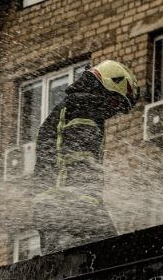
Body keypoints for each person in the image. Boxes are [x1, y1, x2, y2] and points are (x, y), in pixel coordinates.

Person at [32, 60, 140, 254]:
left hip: (54, 211)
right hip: (72, 209)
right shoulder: (84, 109)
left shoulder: (69, 108)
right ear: (106, 86)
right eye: (116, 102)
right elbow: (80, 163)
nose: (114, 111)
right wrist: (93, 212)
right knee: (114, 261)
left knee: (64, 270)